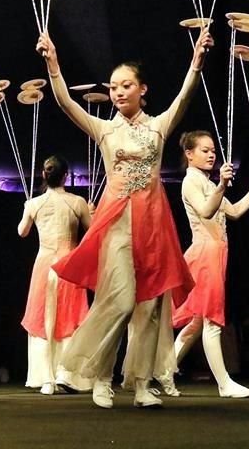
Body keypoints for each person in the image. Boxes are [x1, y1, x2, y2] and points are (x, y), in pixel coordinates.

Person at [34, 25, 213, 409]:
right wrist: (53, 64)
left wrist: (196, 63)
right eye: (113, 86)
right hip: (116, 223)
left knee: (150, 308)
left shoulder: (159, 126)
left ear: (142, 89)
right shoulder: (104, 130)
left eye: (126, 85)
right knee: (121, 299)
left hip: (154, 223)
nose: (117, 92)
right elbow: (66, 103)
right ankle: (99, 376)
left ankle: (143, 383)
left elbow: (183, 98)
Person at [171, 130, 249, 398]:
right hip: (205, 255)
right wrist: (222, 185)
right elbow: (206, 211)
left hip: (214, 253)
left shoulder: (206, 182)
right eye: (204, 150)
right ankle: (224, 383)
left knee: (196, 323)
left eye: (213, 150)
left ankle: (164, 372)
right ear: (189, 154)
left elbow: (234, 211)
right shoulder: (191, 182)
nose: (211, 154)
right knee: (211, 320)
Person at [17, 155, 91, 395]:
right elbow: (92, 231)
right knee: (69, 315)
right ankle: (66, 373)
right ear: (66, 176)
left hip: (44, 263)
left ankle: (46, 378)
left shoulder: (34, 203)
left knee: (46, 315)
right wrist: (92, 212)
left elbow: (22, 232)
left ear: (43, 175)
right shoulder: (77, 202)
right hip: (68, 263)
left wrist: (29, 209)